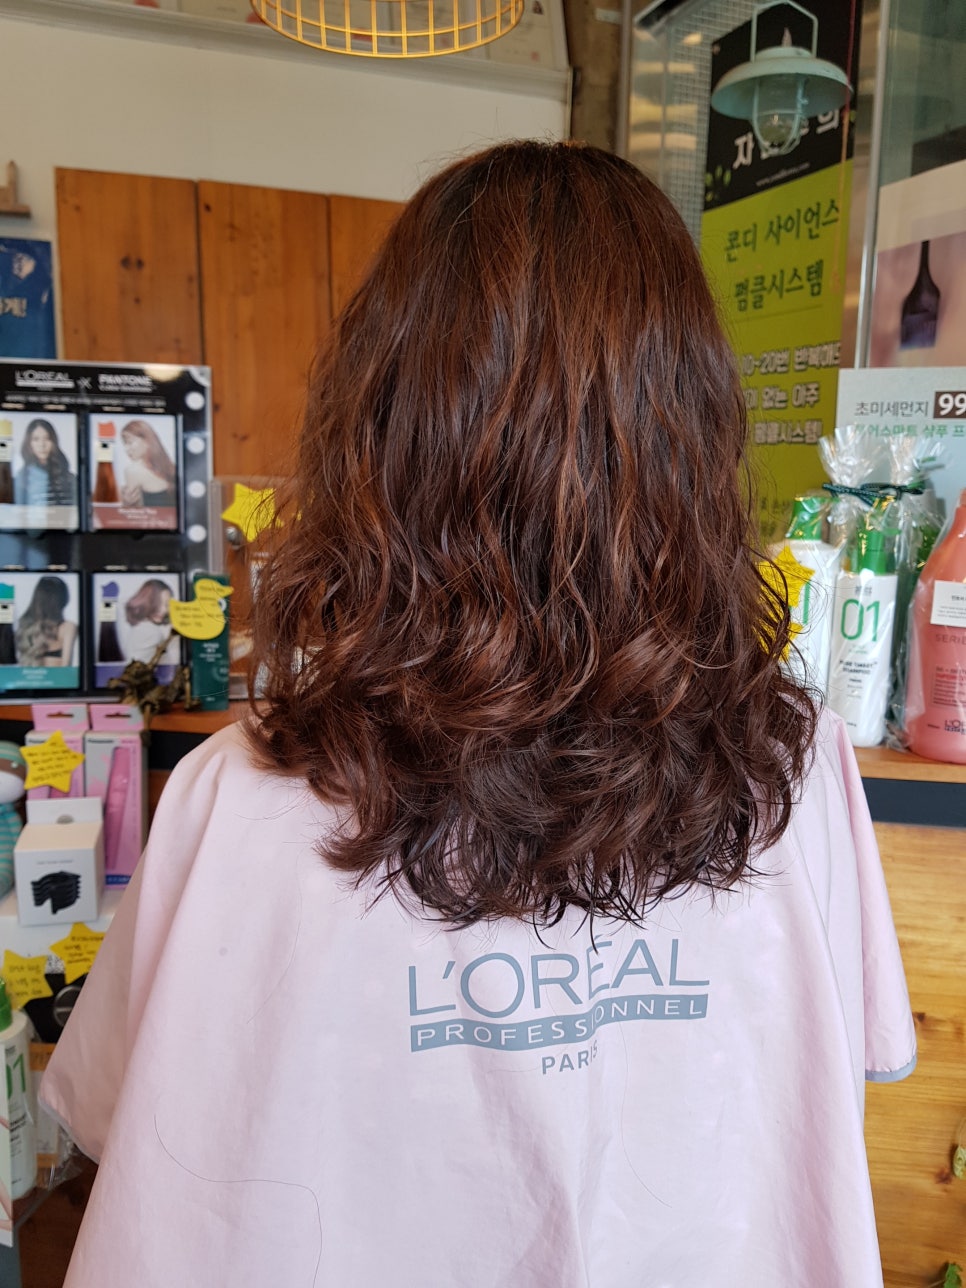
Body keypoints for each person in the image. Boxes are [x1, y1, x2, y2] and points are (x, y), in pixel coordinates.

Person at [40, 142, 915, 1287]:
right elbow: (832, 1090)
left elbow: (122, 1127)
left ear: (383, 420)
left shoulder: (233, 797)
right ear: (693, 429)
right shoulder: (791, 769)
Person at [13, 575, 77, 668]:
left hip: (25, 677)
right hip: (57, 677)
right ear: (64, 598)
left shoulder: (24, 625)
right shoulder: (68, 627)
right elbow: (66, 666)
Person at [13, 418, 76, 508]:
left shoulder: (70, 478)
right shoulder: (22, 480)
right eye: (36, 439)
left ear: (53, 441)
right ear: (29, 443)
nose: (42, 444)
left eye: (47, 438)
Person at [118, 419, 177, 508]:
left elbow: (134, 513)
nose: (126, 449)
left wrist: (126, 504)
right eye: (124, 444)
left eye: (129, 442)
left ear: (147, 441)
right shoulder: (171, 467)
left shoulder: (133, 471)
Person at [122, 577, 175, 663]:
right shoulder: (150, 631)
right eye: (157, 603)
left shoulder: (142, 628)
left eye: (167, 605)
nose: (163, 610)